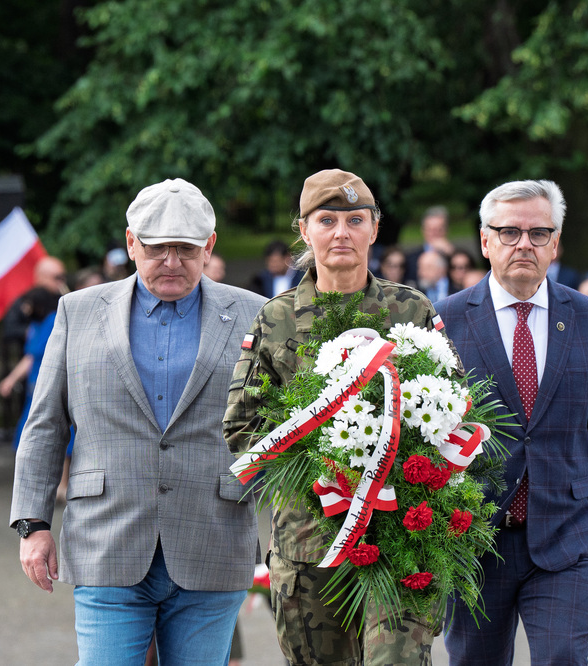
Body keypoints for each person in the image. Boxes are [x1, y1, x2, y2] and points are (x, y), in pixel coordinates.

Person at [10, 178, 267, 664]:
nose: (172, 261)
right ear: (131, 243)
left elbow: (281, 423)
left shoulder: (256, 315)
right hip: (105, 537)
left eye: (186, 249)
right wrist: (33, 523)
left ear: (209, 246)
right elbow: (45, 423)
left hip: (213, 535)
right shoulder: (78, 311)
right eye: (156, 248)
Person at [223, 169, 447, 665]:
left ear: (374, 227)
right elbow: (242, 427)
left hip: (401, 538)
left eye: (354, 219)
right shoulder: (276, 318)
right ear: (304, 230)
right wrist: (323, 463)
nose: (341, 232)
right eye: (327, 220)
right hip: (309, 542)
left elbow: (453, 412)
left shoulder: (410, 309)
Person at [436, 180, 588, 665]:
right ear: (485, 241)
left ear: (556, 243)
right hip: (475, 538)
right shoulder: (444, 321)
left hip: (569, 536)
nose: (524, 243)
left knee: (562, 656)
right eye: (508, 232)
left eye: (538, 232)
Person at [0, 287, 62, 449]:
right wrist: (11, 380)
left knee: (50, 442)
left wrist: (11, 380)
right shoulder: (35, 324)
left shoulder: (53, 321)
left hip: (49, 387)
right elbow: (29, 357)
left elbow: (34, 356)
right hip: (34, 387)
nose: (24, 308)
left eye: (27, 303)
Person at [405, 205, 454, 283]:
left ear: (447, 230)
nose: (434, 233)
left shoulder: (455, 256)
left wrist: (452, 255)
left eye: (439, 229)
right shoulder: (411, 259)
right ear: (423, 230)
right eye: (430, 229)